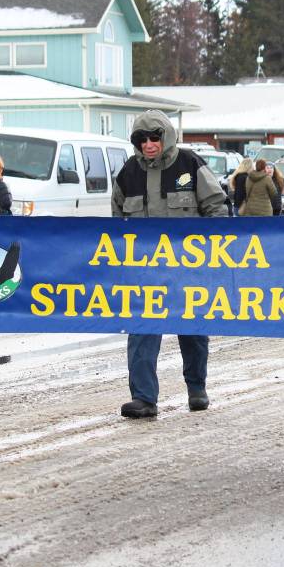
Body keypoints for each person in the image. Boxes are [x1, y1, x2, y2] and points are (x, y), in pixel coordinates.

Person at [111, 110, 228, 418]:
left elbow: (216, 207)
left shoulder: (190, 164)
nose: (148, 144)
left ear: (166, 137)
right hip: (144, 273)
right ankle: (144, 398)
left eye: (155, 137)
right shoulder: (126, 174)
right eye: (141, 139)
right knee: (141, 332)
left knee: (191, 330)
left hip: (188, 270)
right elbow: (117, 223)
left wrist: (213, 252)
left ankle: (197, 388)